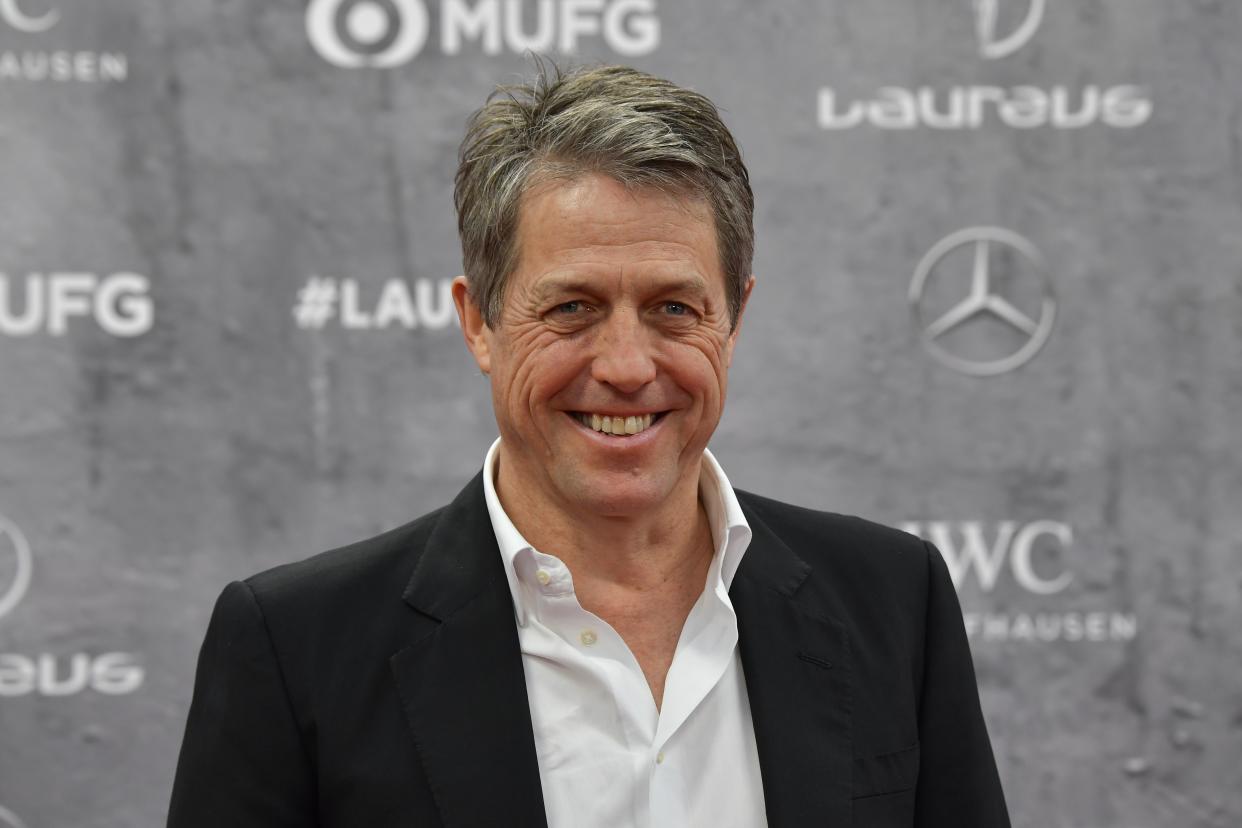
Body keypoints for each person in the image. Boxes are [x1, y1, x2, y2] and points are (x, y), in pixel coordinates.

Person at [167, 63, 1010, 828]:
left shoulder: (895, 602)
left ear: (735, 319)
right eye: (571, 308)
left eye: (674, 308)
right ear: (479, 321)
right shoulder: (296, 650)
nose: (627, 366)